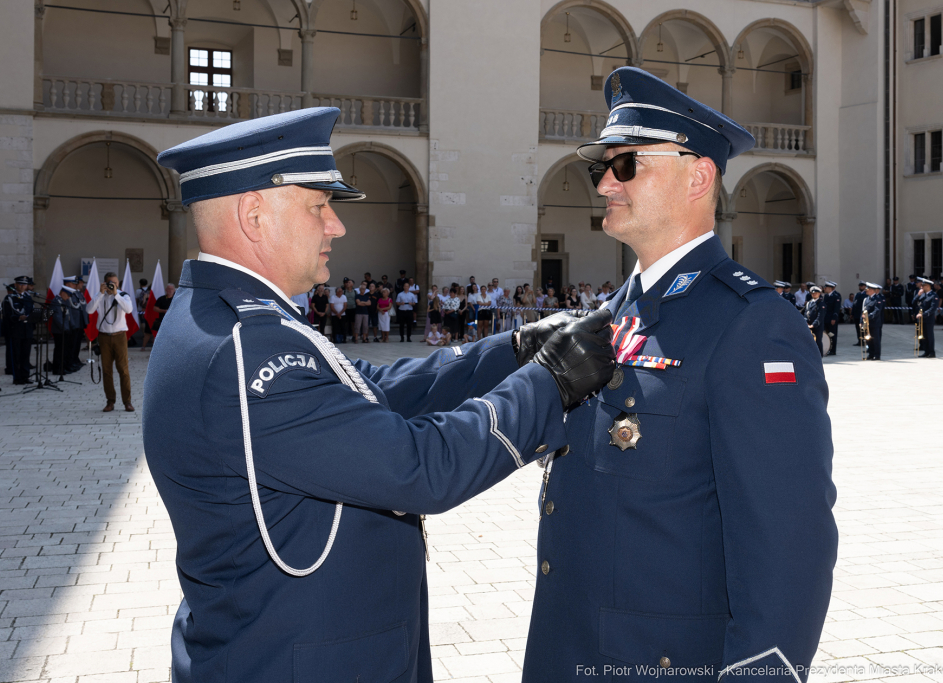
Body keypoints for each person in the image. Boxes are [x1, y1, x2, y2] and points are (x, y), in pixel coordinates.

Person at [148, 107, 615, 683]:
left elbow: (375, 389)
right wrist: (550, 382)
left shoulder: (235, 323)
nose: (335, 226)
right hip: (302, 660)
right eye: (318, 206)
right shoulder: (248, 348)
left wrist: (512, 350)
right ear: (253, 215)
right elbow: (420, 467)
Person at [523, 66, 836, 681]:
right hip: (571, 648)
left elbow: (787, 541)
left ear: (699, 176)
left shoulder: (750, 323)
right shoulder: (615, 315)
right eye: (601, 166)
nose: (606, 182)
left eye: (628, 163)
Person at [87, 272, 135, 412]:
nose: (112, 285)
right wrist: (100, 294)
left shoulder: (123, 295)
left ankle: (127, 401)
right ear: (104, 283)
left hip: (120, 336)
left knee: (123, 370)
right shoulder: (100, 296)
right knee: (107, 371)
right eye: (109, 282)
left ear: (118, 283)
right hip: (104, 336)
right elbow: (89, 310)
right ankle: (110, 401)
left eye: (114, 282)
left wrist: (116, 295)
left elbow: (129, 309)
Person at [4, 276, 34, 385]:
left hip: (27, 330)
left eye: (24, 284)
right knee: (16, 355)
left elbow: (31, 311)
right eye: (20, 284)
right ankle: (17, 377)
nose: (22, 286)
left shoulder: (28, 297)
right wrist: (18, 318)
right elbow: (7, 315)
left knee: (26, 355)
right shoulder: (10, 298)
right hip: (16, 330)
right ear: (15, 285)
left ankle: (25, 376)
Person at [48, 286, 75, 375]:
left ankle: (63, 367)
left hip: (66, 329)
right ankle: (57, 369)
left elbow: (69, 315)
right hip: (59, 330)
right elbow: (57, 317)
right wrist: (64, 328)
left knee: (65, 350)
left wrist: (71, 326)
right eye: (67, 295)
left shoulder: (65, 301)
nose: (68, 298)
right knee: (59, 350)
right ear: (62, 293)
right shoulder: (56, 301)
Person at [916, 276, 938, 358]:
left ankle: (931, 352)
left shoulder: (934, 295)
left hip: (928, 318)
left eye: (923, 286)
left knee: (929, 336)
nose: (921, 287)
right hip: (922, 319)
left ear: (928, 286)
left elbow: (932, 308)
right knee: (923, 335)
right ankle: (926, 351)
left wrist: (923, 314)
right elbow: (914, 302)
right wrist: (918, 295)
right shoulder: (922, 295)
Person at [863, 282, 884, 360]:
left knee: (876, 340)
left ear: (872, 290)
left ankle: (877, 355)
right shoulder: (867, 299)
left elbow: (877, 311)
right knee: (869, 340)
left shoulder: (878, 299)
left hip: (874, 322)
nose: (866, 290)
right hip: (867, 323)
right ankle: (871, 354)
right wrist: (862, 320)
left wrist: (868, 317)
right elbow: (864, 310)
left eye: (867, 289)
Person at [804, 285, 827, 356]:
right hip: (809, 326)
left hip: (817, 326)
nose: (814, 294)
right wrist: (806, 322)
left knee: (818, 341)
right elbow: (806, 314)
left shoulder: (821, 304)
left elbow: (820, 316)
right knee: (810, 342)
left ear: (819, 293)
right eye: (812, 293)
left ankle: (819, 356)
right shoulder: (809, 303)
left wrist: (813, 325)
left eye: (816, 293)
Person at [823, 280, 841, 355]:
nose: (824, 289)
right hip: (826, 318)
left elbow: (836, 309)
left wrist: (834, 318)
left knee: (832, 334)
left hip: (832, 319)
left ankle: (833, 350)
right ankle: (828, 348)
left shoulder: (836, 296)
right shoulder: (826, 296)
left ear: (830, 288)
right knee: (827, 334)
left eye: (826, 287)